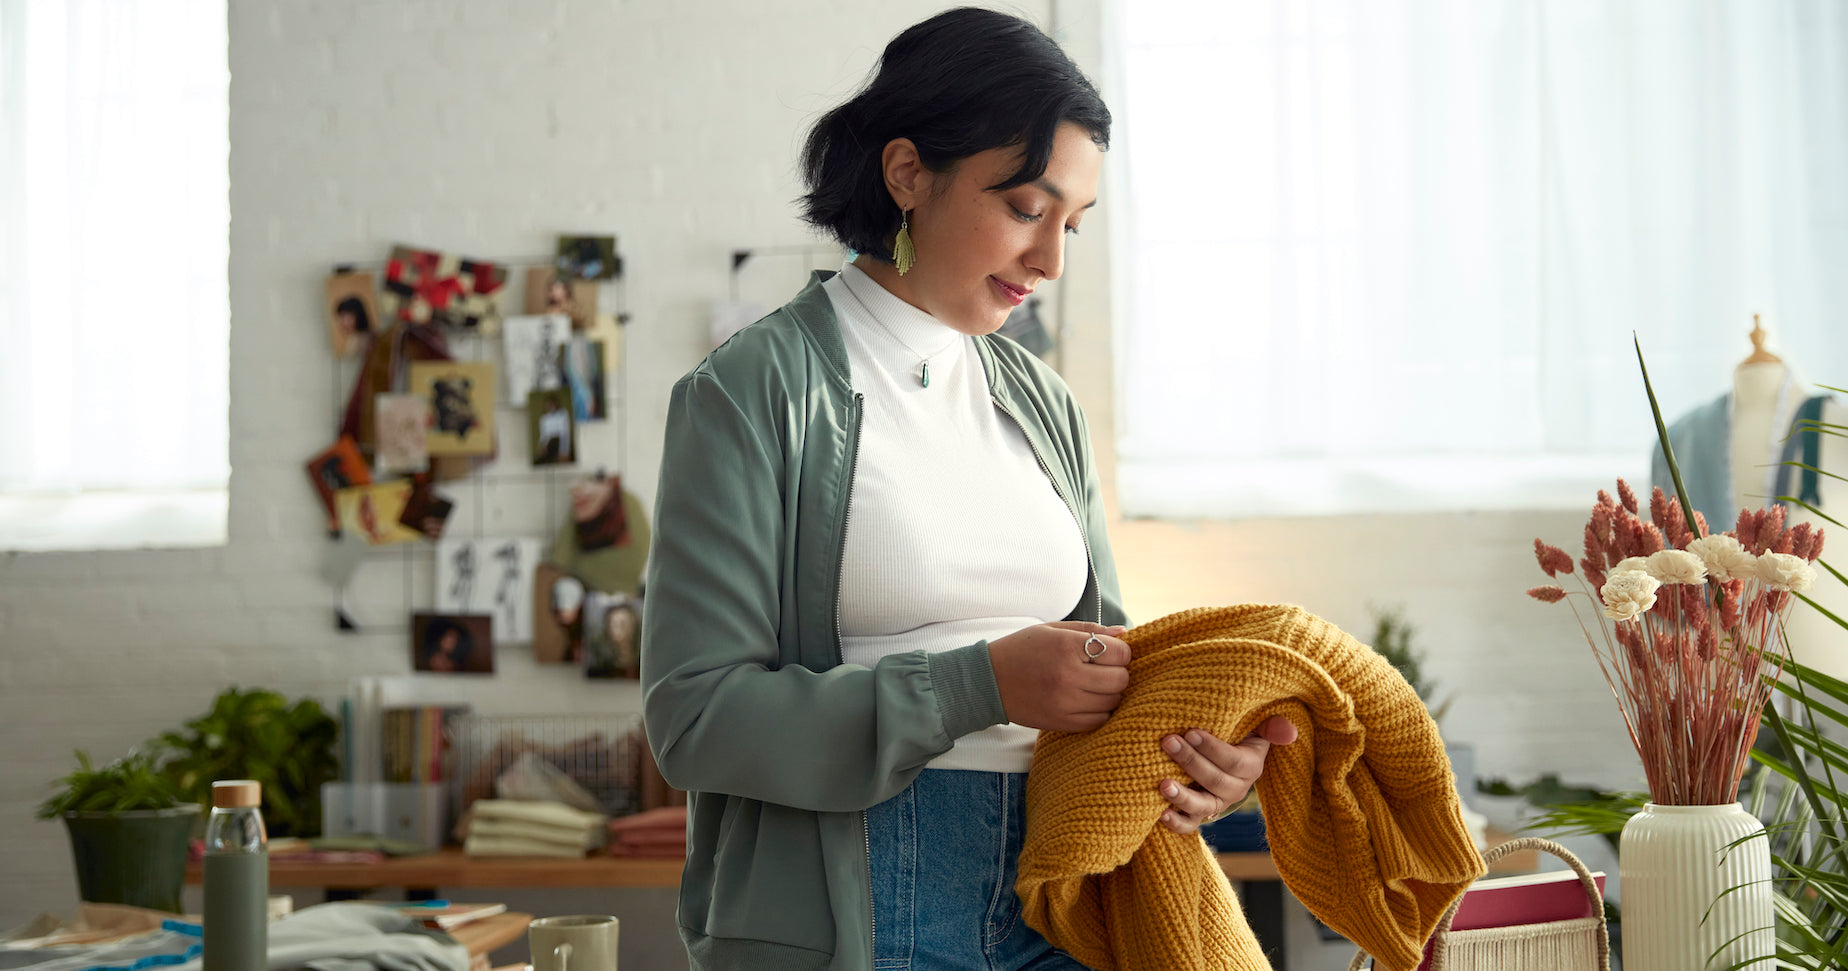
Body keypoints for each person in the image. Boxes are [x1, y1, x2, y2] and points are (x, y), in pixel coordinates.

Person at [641, 9, 1297, 971]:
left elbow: (1109, 664)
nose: (1052, 261)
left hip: (1062, 887)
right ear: (907, 173)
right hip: (855, 903)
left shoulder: (1043, 404)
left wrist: (1204, 759)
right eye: (1027, 208)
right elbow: (694, 720)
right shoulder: (752, 392)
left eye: (1072, 223)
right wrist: (974, 684)